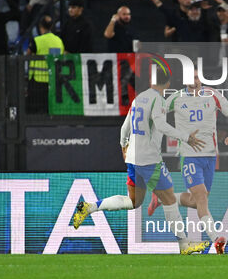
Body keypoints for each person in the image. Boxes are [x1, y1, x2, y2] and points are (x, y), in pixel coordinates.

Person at [72, 69, 209, 255]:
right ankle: (184, 244)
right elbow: (161, 125)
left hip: (133, 159)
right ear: (167, 84)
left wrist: (123, 148)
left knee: (133, 201)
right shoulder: (158, 100)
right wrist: (186, 137)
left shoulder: (139, 98)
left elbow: (124, 128)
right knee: (169, 200)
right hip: (149, 160)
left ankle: (89, 207)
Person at [148, 72, 228, 254]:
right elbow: (157, 116)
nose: (194, 81)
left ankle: (161, 198)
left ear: (201, 79)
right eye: (190, 78)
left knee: (196, 201)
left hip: (210, 156)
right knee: (201, 198)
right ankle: (217, 239)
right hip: (189, 155)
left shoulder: (212, 95)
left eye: (196, 78)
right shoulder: (176, 97)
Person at [26, 15, 63, 113]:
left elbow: (27, 55)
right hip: (53, 78)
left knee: (34, 108)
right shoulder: (59, 41)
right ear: (51, 26)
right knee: (48, 107)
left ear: (40, 26)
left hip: (37, 79)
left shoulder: (37, 40)